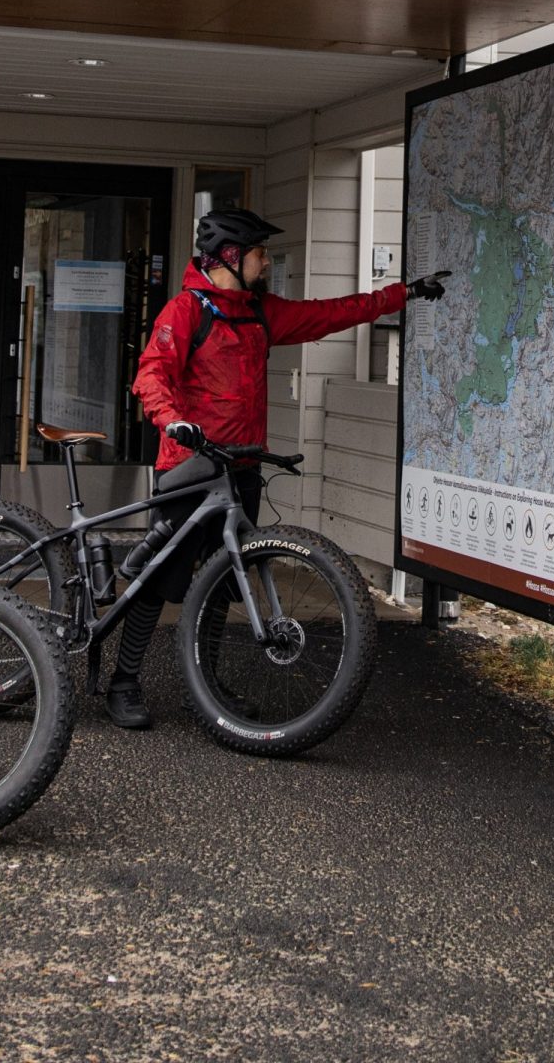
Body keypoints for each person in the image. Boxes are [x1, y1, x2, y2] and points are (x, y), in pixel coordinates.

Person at [104, 206, 445, 730]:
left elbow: (330, 313)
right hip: (191, 469)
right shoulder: (186, 311)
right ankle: (123, 682)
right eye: (260, 254)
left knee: (224, 580)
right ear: (232, 257)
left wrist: (402, 294)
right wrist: (171, 420)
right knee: (157, 580)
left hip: (239, 470)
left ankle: (210, 686)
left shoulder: (258, 312)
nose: (267, 262)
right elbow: (152, 374)